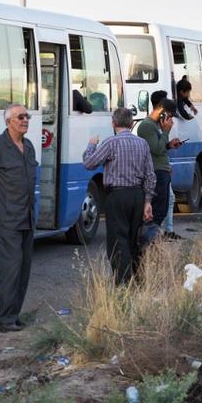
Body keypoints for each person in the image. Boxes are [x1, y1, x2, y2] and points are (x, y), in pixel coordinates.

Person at [0, 104, 38, 332]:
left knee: (23, 270)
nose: (25, 120)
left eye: (27, 116)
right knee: (10, 269)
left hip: (28, 217)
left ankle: (14, 315)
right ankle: (5, 320)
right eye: (20, 117)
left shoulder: (29, 146)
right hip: (7, 220)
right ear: (8, 121)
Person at [82, 108, 156, 283]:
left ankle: (123, 283)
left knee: (118, 240)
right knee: (135, 239)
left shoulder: (110, 143)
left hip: (116, 196)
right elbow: (150, 175)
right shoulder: (142, 144)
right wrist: (148, 201)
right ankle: (137, 279)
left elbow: (89, 163)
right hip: (138, 195)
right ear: (131, 124)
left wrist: (91, 145)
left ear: (113, 123)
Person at [137, 91, 181, 226]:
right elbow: (155, 149)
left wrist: (168, 145)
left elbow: (159, 147)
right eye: (170, 115)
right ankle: (150, 240)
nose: (171, 120)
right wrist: (166, 131)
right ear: (162, 111)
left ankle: (156, 238)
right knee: (158, 209)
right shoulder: (147, 125)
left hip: (163, 169)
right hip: (156, 171)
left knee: (163, 207)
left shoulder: (156, 125)